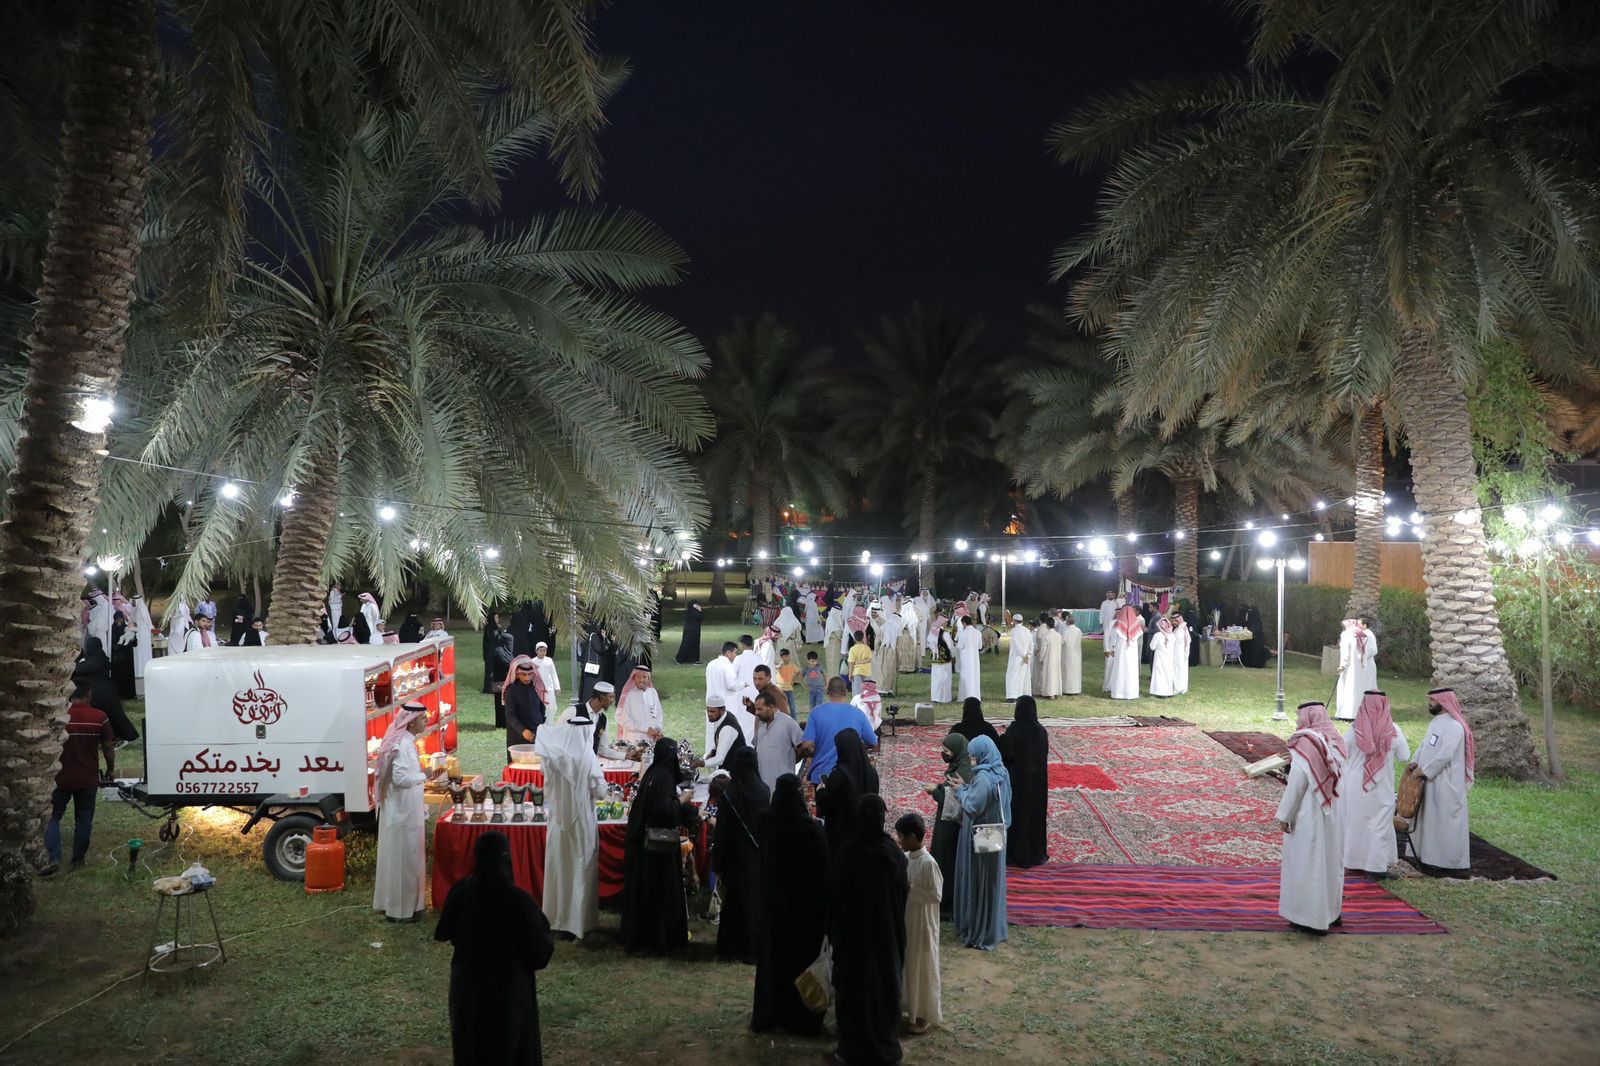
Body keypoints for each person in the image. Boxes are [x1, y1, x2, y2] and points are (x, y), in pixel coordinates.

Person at [435, 831, 556, 1066]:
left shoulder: (461, 891)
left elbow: (445, 932)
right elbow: (540, 952)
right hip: (507, 993)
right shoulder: (518, 900)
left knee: (471, 1047)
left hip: (467, 989)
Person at [827, 795, 909, 1066]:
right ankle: (885, 1045)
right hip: (887, 935)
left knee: (854, 991)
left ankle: (852, 1049)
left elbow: (835, 894)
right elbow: (903, 893)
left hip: (854, 937)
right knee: (884, 988)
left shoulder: (849, 851)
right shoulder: (893, 853)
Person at [752, 773, 829, 1035]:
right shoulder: (811, 829)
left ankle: (770, 1013)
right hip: (803, 907)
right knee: (799, 961)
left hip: (774, 903)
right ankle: (799, 1018)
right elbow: (821, 868)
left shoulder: (766, 821)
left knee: (773, 960)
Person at [536, 699, 609, 939]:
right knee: (580, 872)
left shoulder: (552, 755)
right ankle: (579, 926)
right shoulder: (587, 758)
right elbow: (601, 791)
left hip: (558, 821)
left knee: (559, 870)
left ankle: (556, 921)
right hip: (581, 822)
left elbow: (544, 775)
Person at [620, 738, 697, 954]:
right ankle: (660, 939)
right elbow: (663, 812)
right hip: (658, 849)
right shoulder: (664, 778)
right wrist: (683, 800)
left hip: (645, 848)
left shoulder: (653, 774)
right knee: (660, 896)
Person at [1275, 701, 1346, 933]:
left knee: (1309, 863)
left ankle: (1310, 919)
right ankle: (1331, 912)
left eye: (1299, 716)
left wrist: (1285, 814)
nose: (1297, 720)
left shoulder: (1307, 743)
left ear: (1309, 717)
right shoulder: (1336, 739)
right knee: (1331, 862)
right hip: (1334, 812)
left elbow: (1297, 783)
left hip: (1310, 813)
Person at [40, 682, 114, 876]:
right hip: (87, 778)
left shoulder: (59, 718)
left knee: (53, 817)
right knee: (84, 818)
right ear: (89, 695)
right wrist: (110, 769)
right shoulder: (100, 717)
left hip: (60, 778)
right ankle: (78, 860)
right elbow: (108, 747)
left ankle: (53, 858)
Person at [1340, 690, 1410, 875]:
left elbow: (1342, 752)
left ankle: (1352, 863)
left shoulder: (1355, 730)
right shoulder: (1393, 730)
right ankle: (1376, 868)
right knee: (1379, 825)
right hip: (1382, 784)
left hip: (1355, 784)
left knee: (1355, 822)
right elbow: (1405, 756)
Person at [374, 703, 432, 921]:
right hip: (401, 812)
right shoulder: (401, 744)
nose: (426, 721)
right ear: (412, 721)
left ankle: (407, 907)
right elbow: (401, 779)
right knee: (403, 861)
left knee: (407, 859)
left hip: (405, 809)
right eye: (423, 718)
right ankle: (400, 911)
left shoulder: (406, 742)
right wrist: (425, 775)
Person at [954, 735, 1011, 950]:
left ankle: (979, 930)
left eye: (973, 756)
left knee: (980, 879)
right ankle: (991, 926)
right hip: (994, 834)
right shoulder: (1001, 772)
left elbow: (973, 806)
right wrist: (967, 787)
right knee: (992, 880)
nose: (972, 760)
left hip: (981, 835)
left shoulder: (985, 778)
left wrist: (960, 791)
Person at [715, 747, 770, 965]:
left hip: (734, 857)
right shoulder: (764, 791)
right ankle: (752, 946)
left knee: (734, 902)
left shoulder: (730, 793)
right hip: (757, 856)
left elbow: (722, 830)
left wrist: (718, 861)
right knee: (755, 901)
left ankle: (731, 946)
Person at [1409, 688, 1474, 873]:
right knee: (1430, 820)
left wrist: (1425, 771)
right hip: (1430, 780)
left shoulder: (1455, 727)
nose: (1430, 703)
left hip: (1446, 783)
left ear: (1443, 702)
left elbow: (1445, 755)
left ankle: (1446, 863)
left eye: (1433, 700)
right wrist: (1415, 761)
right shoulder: (1436, 722)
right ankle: (1426, 857)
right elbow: (1425, 745)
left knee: (1444, 823)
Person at [896, 811, 943, 1034]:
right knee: (909, 965)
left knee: (923, 966)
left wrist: (910, 890)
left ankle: (924, 1013)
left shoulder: (928, 863)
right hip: (907, 920)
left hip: (923, 923)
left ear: (913, 837)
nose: (899, 841)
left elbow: (935, 895)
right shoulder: (904, 859)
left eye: (901, 836)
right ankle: (910, 1009)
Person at [923, 733, 970, 920]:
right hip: (947, 822)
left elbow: (953, 802)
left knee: (946, 861)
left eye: (947, 751)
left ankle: (946, 905)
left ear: (956, 751)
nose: (944, 754)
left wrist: (936, 791)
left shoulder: (963, 772)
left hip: (951, 825)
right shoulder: (959, 765)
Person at [998, 695, 1049, 868]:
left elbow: (1007, 754)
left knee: (1019, 817)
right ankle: (1036, 854)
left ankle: (1017, 855)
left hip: (1019, 783)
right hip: (1038, 783)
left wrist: (1002, 740)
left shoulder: (1014, 730)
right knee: (1035, 818)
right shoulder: (1041, 731)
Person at [800, 677, 878, 785]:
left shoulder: (816, 713)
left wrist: (814, 752)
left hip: (822, 775)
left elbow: (806, 744)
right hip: (851, 774)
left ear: (828, 691)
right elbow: (873, 742)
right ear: (845, 692)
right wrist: (856, 747)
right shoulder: (858, 713)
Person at [816, 729, 879, 861]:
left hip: (842, 836)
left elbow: (828, 807)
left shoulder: (838, 776)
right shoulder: (872, 772)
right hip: (866, 834)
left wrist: (821, 791)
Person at [73, 637, 138, 743]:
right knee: (108, 715)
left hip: (103, 692)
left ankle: (124, 735)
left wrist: (77, 664)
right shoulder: (94, 658)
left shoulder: (97, 659)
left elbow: (80, 670)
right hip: (102, 691)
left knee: (115, 715)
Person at [751, 691, 806, 794]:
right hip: (763, 784)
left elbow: (803, 747)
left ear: (771, 707)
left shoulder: (788, 723)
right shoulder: (761, 725)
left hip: (783, 783)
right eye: (756, 709)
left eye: (760, 709)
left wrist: (791, 761)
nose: (757, 712)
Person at [1334, 618, 1379, 721]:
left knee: (1350, 689)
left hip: (1353, 668)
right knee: (1358, 690)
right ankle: (1358, 713)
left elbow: (1346, 652)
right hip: (1361, 668)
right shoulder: (1360, 635)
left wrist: (1343, 665)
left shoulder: (1348, 635)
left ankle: (1347, 713)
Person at [503, 655, 547, 752]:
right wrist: (522, 731)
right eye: (523, 674)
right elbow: (510, 715)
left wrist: (541, 726)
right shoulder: (511, 691)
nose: (527, 678)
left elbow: (541, 709)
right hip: (517, 736)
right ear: (517, 673)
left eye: (530, 674)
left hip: (536, 734)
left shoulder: (538, 688)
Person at [616, 665, 665, 746]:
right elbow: (624, 720)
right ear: (634, 678)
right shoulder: (629, 694)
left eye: (644, 677)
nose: (641, 680)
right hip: (633, 740)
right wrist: (646, 729)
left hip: (652, 739)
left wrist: (658, 728)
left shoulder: (653, 692)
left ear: (648, 678)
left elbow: (659, 715)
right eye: (638, 676)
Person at [700, 694, 749, 773]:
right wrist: (713, 751)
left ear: (722, 710)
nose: (709, 714)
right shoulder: (723, 717)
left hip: (736, 771)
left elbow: (720, 759)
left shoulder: (727, 728)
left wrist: (702, 763)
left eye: (712, 711)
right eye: (707, 710)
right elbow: (721, 740)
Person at [1106, 604, 1143, 701]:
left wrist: (1112, 648)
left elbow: (1113, 637)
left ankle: (1119, 693)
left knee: (1120, 669)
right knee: (1130, 671)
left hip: (1121, 651)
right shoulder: (1136, 624)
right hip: (1131, 651)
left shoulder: (1119, 624)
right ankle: (1131, 693)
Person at [1004, 612, 1033, 701]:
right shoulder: (1027, 630)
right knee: (1022, 677)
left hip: (1017, 657)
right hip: (1025, 658)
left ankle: (1012, 696)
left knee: (1012, 676)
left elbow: (1016, 645)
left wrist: (1023, 655)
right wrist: (1028, 655)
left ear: (1014, 621)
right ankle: (1021, 695)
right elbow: (1031, 644)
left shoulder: (1014, 631)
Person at [706, 641, 742, 706]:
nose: (736, 655)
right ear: (728, 653)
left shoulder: (710, 664)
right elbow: (731, 685)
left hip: (711, 702)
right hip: (725, 704)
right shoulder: (728, 665)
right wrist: (743, 684)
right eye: (735, 652)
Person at [1148, 616, 1178, 698]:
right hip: (1169, 658)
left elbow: (1152, 647)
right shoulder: (1173, 635)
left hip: (1160, 659)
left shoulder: (1157, 635)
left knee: (1160, 675)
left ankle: (1161, 692)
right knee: (1169, 675)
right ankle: (1169, 692)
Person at [491, 631, 515, 728]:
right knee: (500, 703)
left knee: (506, 703)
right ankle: (501, 723)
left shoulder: (505, 651)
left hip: (506, 681)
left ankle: (505, 723)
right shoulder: (499, 651)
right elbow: (507, 663)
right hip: (500, 681)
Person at [956, 615, 983, 701]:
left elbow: (960, 646)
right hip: (975, 659)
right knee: (974, 676)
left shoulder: (963, 633)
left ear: (964, 623)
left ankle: (965, 695)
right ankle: (975, 695)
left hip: (965, 658)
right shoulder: (978, 632)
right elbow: (980, 646)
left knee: (965, 676)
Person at [1036, 614, 1062, 699]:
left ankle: (1049, 693)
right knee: (1055, 674)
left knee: (1048, 675)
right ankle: (1055, 691)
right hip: (1056, 657)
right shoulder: (1058, 635)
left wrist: (1041, 658)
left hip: (1048, 658)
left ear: (1047, 625)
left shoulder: (1046, 635)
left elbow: (1043, 649)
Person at [846, 627, 874, 697]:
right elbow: (870, 659)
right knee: (866, 691)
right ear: (863, 638)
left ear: (854, 639)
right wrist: (862, 662)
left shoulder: (852, 649)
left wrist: (850, 674)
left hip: (857, 672)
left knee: (857, 692)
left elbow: (851, 663)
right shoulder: (867, 648)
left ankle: (857, 703)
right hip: (867, 671)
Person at [481, 611, 503, 695]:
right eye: (495, 617)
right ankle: (488, 689)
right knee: (489, 671)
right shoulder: (489, 627)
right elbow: (491, 637)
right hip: (490, 653)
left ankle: (495, 688)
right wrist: (497, 629)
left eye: (498, 617)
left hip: (496, 653)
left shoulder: (496, 627)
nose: (497, 619)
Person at [1061, 614, 1083, 695]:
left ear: (1067, 621)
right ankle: (1076, 689)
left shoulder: (1066, 631)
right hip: (1076, 654)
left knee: (1067, 672)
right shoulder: (1079, 630)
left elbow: (1062, 642)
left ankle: (1067, 689)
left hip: (1067, 653)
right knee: (1075, 672)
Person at [823, 601, 846, 680]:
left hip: (829, 644)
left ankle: (831, 678)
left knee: (830, 663)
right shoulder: (835, 623)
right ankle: (835, 679)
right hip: (835, 644)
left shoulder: (830, 619)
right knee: (835, 663)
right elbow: (839, 634)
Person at [1171, 612, 1191, 694]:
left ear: (1178, 620)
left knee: (1179, 669)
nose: (1173, 623)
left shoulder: (1181, 630)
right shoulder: (1179, 629)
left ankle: (1178, 687)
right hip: (1177, 652)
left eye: (1174, 621)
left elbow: (1177, 641)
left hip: (1180, 653)